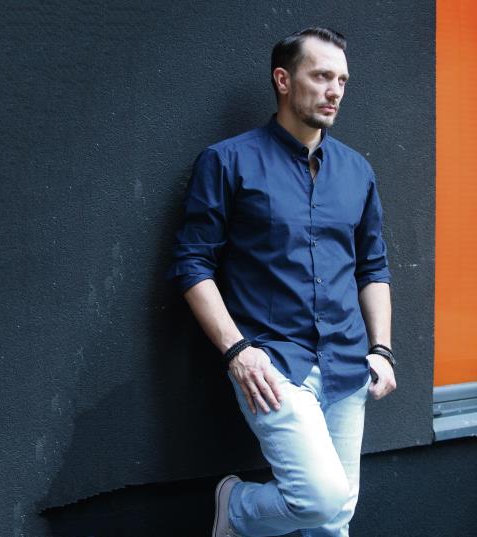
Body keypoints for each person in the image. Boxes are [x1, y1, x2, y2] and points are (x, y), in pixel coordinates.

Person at [167, 27, 397, 537]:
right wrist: (237, 351)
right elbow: (192, 266)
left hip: (347, 364)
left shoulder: (357, 171)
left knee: (335, 520)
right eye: (322, 76)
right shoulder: (228, 161)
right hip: (273, 364)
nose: (335, 91)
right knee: (320, 498)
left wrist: (381, 349)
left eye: (342, 80)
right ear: (283, 80)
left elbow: (373, 268)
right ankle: (236, 506)